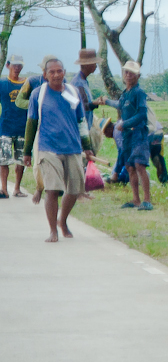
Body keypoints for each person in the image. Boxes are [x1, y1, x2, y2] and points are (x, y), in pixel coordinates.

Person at [23, 58, 96, 242]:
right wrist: (26, 152)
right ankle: (52, 231)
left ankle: (62, 221)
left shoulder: (73, 92)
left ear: (64, 72)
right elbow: (31, 124)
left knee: (74, 190)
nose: (56, 75)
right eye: (52, 72)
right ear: (45, 75)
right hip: (48, 148)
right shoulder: (38, 95)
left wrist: (87, 147)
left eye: (59, 71)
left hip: (72, 147)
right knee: (52, 189)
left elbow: (81, 122)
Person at [101, 61, 152, 210]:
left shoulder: (139, 93)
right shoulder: (126, 93)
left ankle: (147, 200)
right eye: (126, 72)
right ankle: (136, 199)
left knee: (140, 166)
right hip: (127, 137)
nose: (128, 75)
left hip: (138, 134)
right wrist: (106, 101)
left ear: (138, 76)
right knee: (130, 167)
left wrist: (125, 123)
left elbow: (142, 114)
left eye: (131, 72)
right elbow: (120, 105)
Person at [15, 54, 56, 204]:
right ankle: (39, 187)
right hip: (36, 124)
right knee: (39, 160)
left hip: (55, 128)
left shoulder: (61, 84)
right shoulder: (32, 82)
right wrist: (37, 105)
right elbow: (19, 101)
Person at [1, 55, 28, 198]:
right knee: (3, 160)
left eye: (19, 65)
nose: (17, 68)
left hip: (23, 127)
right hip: (5, 126)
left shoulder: (27, 85)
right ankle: (4, 189)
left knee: (21, 160)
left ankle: (17, 188)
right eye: (14, 65)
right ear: (8, 65)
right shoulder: (2, 84)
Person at [70, 49, 104, 128]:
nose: (96, 66)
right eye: (94, 63)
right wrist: (94, 103)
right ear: (87, 65)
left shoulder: (84, 80)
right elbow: (82, 107)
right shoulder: (78, 83)